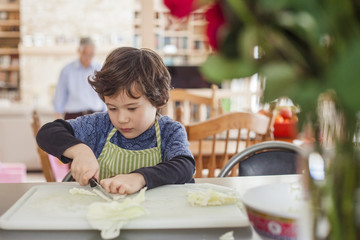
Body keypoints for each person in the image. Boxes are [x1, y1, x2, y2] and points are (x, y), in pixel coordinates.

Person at [37, 47, 196, 194]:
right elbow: (47, 133)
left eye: (132, 108)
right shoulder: (99, 126)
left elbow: (185, 166)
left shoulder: (170, 131)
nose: (121, 119)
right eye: (112, 108)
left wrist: (140, 178)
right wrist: (80, 151)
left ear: (159, 99)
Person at [53, 37, 106, 120]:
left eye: (91, 54)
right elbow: (60, 93)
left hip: (96, 115)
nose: (88, 57)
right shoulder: (67, 70)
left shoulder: (100, 68)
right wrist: (58, 114)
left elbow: (105, 92)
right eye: (85, 54)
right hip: (73, 116)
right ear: (79, 51)